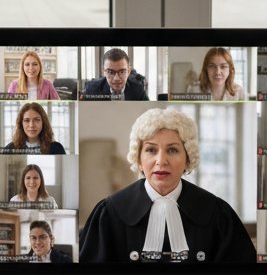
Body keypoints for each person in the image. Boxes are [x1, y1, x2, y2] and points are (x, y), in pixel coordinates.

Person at [79, 108, 255, 263]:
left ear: (188, 158)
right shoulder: (108, 213)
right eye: (151, 150)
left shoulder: (218, 214)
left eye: (172, 150)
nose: (161, 161)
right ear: (138, 159)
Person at [82, 48, 149, 100]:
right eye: (111, 72)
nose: (116, 78)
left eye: (122, 72)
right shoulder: (92, 89)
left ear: (128, 71)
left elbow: (148, 114)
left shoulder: (138, 89)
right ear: (104, 71)